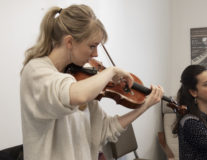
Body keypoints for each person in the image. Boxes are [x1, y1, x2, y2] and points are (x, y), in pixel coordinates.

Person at [20, 4, 164, 160]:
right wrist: (111, 71)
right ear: (69, 42)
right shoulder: (36, 72)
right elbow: (73, 94)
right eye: (92, 46)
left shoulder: (81, 78)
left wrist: (145, 106)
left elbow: (105, 129)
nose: (95, 54)